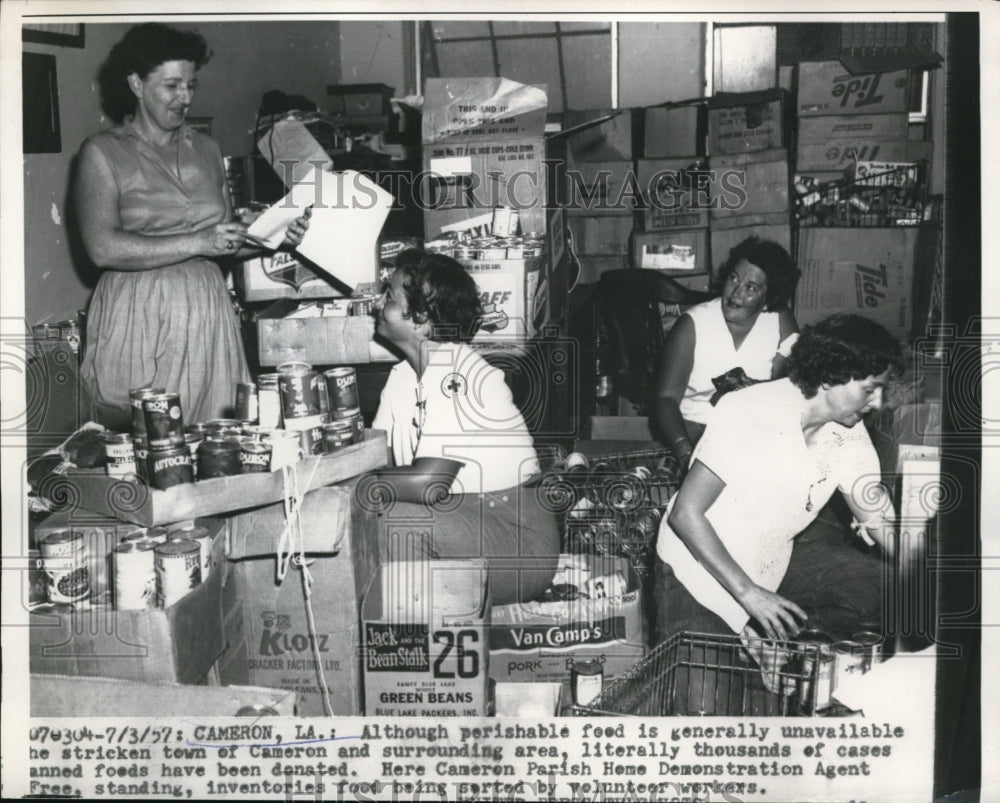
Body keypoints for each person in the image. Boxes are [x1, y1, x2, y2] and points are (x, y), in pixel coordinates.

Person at [76, 23, 309, 428]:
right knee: (146, 447)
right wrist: (200, 240)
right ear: (135, 83)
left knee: (218, 443)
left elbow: (223, 243)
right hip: (139, 315)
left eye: (190, 85)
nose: (185, 97)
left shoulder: (207, 149)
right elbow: (103, 247)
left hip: (208, 315)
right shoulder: (102, 153)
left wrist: (273, 237)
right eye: (171, 86)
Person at [654, 313, 905, 647]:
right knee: (709, 696)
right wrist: (750, 596)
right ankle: (759, 635)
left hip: (768, 566)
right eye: (869, 389)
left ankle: (784, 642)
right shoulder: (751, 411)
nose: (877, 402)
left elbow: (877, 517)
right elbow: (685, 514)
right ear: (831, 379)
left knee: (885, 588)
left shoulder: (849, 433)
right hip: (698, 571)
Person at [365, 249, 560, 605]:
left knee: (396, 517)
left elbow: (427, 484)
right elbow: (378, 460)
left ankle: (415, 643)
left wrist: (345, 484)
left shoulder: (460, 373)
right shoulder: (402, 377)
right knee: (373, 514)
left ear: (421, 317)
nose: (377, 303)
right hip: (463, 522)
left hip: (519, 544)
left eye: (390, 297)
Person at [652, 237, 801, 466]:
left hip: (754, 428)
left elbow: (789, 387)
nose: (736, 293)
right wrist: (685, 452)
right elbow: (665, 398)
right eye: (734, 278)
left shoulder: (780, 322)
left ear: (768, 299)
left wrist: (750, 388)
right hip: (695, 428)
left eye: (751, 288)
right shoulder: (692, 325)